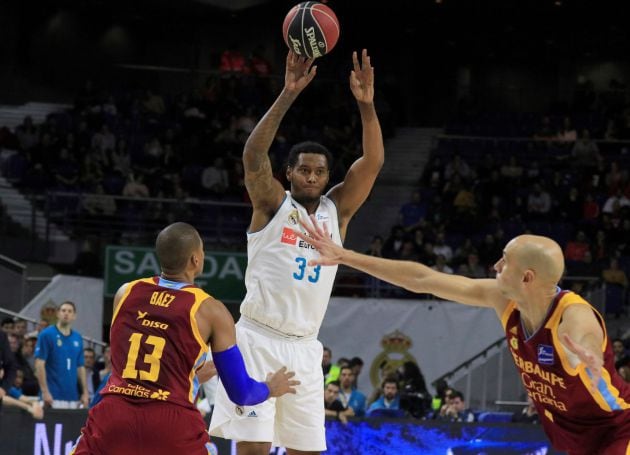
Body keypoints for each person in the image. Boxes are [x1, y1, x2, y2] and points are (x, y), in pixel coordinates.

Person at [297, 220, 630, 455]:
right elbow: (423, 279)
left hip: (617, 428)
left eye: (505, 261)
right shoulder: (505, 301)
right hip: (575, 436)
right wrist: (346, 256)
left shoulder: (573, 314)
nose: (496, 265)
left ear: (527, 277)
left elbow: (584, 339)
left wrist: (588, 357)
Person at [209, 49, 384, 455]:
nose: (311, 176)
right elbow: (253, 158)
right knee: (254, 449)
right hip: (256, 338)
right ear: (289, 173)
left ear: (327, 176)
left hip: (306, 348)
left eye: (319, 171)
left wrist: (367, 106)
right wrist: (288, 93)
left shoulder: (336, 211)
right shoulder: (273, 205)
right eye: (303, 169)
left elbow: (372, 163)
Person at [71, 222, 298, 455]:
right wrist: (270, 388)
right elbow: (241, 393)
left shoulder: (125, 292)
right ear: (195, 260)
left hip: (114, 414)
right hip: (171, 419)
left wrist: (192, 377)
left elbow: (139, 358)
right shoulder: (211, 310)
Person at [34, 301, 90, 409]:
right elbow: (39, 364)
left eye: (70, 311)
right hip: (51, 397)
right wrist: (45, 392)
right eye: (63, 310)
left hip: (72, 397)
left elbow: (80, 367)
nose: (66, 313)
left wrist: (85, 392)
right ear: (58, 314)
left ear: (74, 316)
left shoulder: (77, 338)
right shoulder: (46, 334)